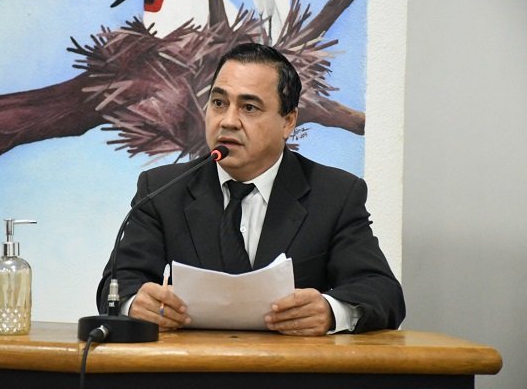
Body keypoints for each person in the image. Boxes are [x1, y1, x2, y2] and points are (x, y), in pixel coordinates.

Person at [97, 42, 406, 336]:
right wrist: (135, 303)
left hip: (290, 367)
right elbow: (117, 284)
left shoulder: (335, 194)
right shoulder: (162, 190)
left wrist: (330, 311)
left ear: (288, 122)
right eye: (219, 103)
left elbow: (383, 292)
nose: (228, 121)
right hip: (192, 366)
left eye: (249, 107)